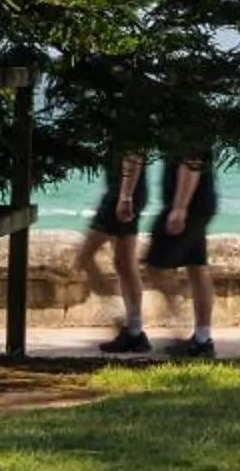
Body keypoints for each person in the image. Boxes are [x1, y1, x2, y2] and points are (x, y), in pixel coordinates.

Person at [142, 150, 220, 358]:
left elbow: (192, 160)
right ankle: (202, 338)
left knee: (154, 266)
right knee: (196, 267)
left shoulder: (188, 124)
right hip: (200, 203)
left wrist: (179, 208)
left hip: (188, 206)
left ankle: (181, 323)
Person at [76, 149, 152, 354]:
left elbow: (134, 152)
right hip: (126, 192)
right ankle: (134, 331)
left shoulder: (124, 117)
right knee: (124, 263)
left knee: (84, 256)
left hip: (123, 194)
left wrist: (125, 196)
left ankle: (120, 318)